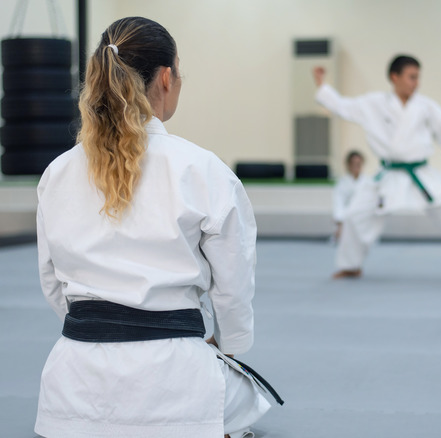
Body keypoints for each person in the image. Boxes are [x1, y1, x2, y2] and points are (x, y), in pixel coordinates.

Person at [34, 17, 270, 438]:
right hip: (175, 380)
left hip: (73, 387)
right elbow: (234, 286)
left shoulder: (58, 172)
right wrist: (229, 345)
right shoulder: (203, 169)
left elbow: (52, 283)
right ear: (166, 77)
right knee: (251, 399)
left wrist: (102, 333)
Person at [313, 55, 441, 281]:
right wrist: (322, 86)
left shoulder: (425, 107)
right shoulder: (373, 104)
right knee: (355, 215)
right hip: (388, 176)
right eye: (412, 77)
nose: (416, 83)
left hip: (421, 175)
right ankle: (351, 266)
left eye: (418, 78)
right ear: (394, 77)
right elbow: (343, 107)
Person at [332, 150, 365, 241]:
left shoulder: (368, 183)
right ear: (348, 165)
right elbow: (338, 204)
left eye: (358, 164)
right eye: (353, 164)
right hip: (346, 221)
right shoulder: (342, 183)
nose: (356, 167)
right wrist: (340, 225)